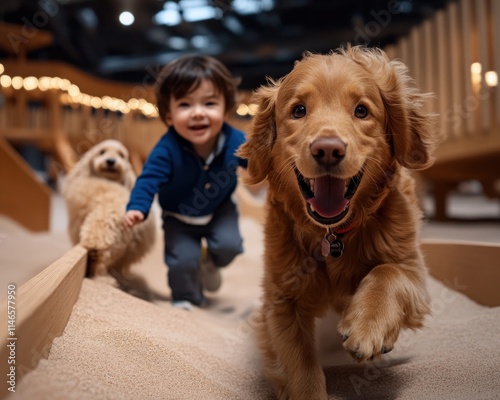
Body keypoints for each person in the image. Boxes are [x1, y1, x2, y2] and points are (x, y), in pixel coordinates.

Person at [124, 55, 248, 310]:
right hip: (178, 218)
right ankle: (187, 300)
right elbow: (148, 180)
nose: (198, 113)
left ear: (225, 110)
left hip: (220, 210)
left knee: (230, 246)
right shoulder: (166, 150)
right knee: (181, 263)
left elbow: (259, 161)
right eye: (185, 105)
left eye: (209, 103)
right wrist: (137, 207)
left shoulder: (236, 141)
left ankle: (211, 262)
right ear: (168, 115)